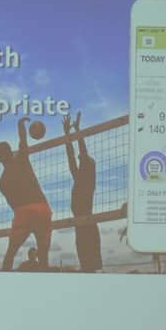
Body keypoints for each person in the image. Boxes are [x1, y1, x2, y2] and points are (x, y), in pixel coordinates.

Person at [0, 116, 52, 271]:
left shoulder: (2, 183)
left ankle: (3, 279)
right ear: (11, 152)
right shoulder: (21, 159)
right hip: (43, 209)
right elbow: (23, 140)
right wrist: (21, 125)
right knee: (43, 257)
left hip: (23, 212)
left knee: (11, 253)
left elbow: (13, 205)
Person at [62, 112, 102, 272]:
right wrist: (68, 134)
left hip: (87, 224)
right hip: (80, 224)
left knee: (91, 266)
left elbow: (82, 154)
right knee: (86, 266)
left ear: (87, 166)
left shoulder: (88, 182)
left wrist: (77, 132)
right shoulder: (79, 178)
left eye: (83, 161)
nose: (80, 160)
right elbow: (71, 157)